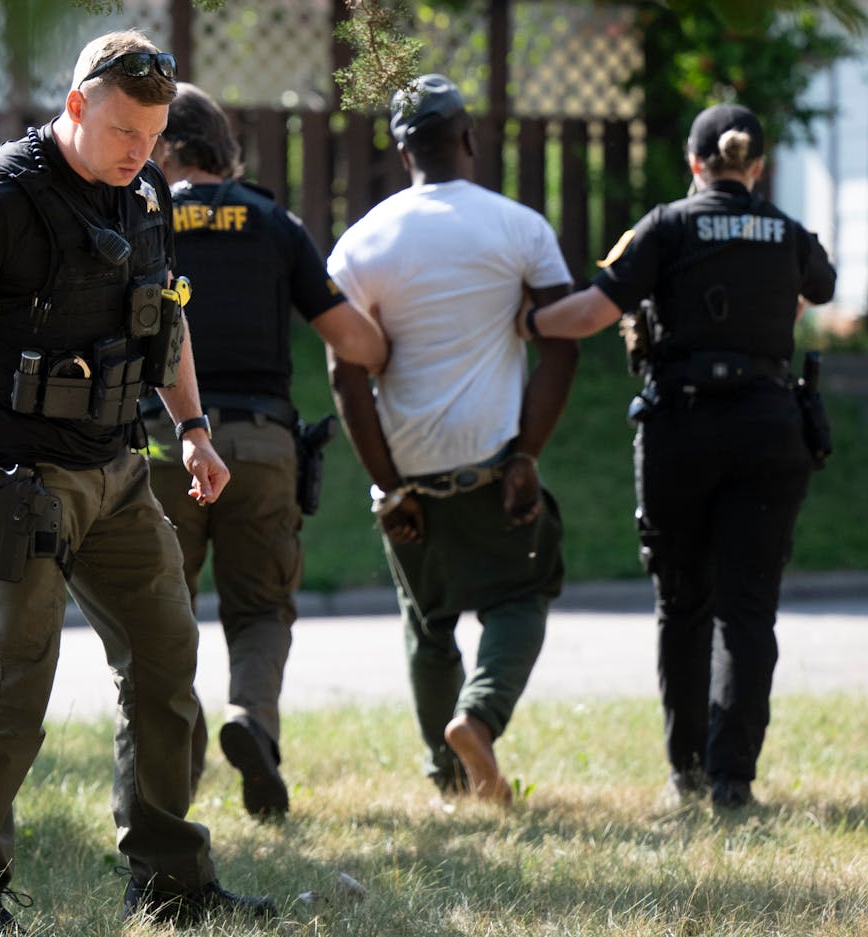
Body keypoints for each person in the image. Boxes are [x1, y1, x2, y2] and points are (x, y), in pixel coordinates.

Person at [0, 31, 277, 934]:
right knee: (12, 686)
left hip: (118, 467)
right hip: (19, 475)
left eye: (152, 133)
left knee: (167, 662)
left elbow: (162, 319)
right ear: (74, 108)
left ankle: (171, 882)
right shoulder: (0, 200)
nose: (140, 150)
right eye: (123, 130)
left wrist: (193, 428)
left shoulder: (145, 196)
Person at [514, 103, 836, 809]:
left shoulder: (666, 225)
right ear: (756, 168)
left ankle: (685, 771)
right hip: (767, 426)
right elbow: (823, 287)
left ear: (696, 164)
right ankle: (732, 781)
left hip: (680, 429)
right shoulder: (785, 230)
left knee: (683, 603)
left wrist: (530, 321)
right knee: (748, 610)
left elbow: (596, 311)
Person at [325, 74, 579, 804]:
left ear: (402, 151)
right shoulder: (520, 227)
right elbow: (563, 345)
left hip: (413, 478)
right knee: (522, 594)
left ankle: (451, 777)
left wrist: (389, 484)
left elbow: (347, 379)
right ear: (468, 139)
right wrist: (525, 455)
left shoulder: (362, 241)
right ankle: (479, 718)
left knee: (427, 623)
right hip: (493, 466)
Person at [140, 82, 389, 819]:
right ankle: (250, 718)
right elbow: (351, 340)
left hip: (161, 443)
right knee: (259, 609)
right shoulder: (274, 223)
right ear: (224, 148)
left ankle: (168, 787)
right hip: (260, 443)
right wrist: (393, 341)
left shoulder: (143, 217)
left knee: (159, 616)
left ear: (164, 149)